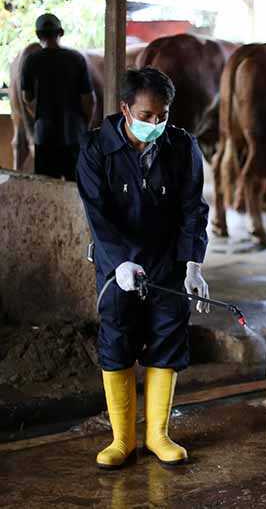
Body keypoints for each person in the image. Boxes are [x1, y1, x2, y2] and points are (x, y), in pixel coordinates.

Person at [76, 67, 210, 470]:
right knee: (117, 340)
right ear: (125, 109)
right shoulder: (97, 148)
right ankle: (122, 440)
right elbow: (96, 213)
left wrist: (193, 264)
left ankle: (158, 435)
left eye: (163, 116)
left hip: (167, 262)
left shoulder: (182, 146)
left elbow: (193, 208)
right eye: (147, 115)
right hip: (117, 263)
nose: (156, 124)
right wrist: (118, 260)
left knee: (168, 338)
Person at [21, 13, 95, 180]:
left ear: (38, 35)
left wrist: (40, 115)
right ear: (60, 32)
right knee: (75, 188)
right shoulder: (76, 59)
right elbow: (89, 101)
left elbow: (27, 98)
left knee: (47, 189)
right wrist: (84, 127)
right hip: (73, 135)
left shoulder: (31, 61)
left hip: (44, 137)